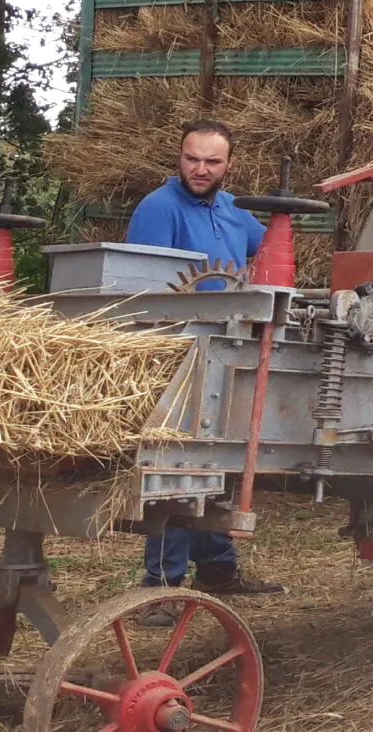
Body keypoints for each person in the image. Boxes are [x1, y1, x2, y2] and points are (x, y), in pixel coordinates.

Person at [123, 122, 286, 601]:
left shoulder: (235, 209)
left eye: (212, 162)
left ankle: (217, 569)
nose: (200, 169)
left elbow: (269, 249)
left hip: (227, 349)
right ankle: (163, 585)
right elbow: (144, 284)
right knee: (175, 467)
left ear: (228, 165)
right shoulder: (158, 208)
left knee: (217, 462)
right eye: (192, 159)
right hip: (178, 347)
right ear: (179, 157)